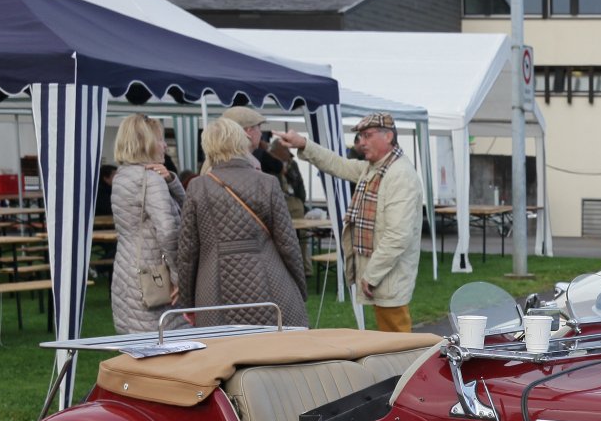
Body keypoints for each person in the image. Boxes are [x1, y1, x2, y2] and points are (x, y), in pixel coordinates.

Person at [278, 113, 423, 332]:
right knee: (392, 338)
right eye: (360, 136)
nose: (361, 142)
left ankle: (410, 358)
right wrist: (304, 144)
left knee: (398, 339)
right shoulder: (376, 168)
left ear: (388, 136)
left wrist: (371, 274)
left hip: (389, 273)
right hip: (384, 272)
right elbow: (338, 164)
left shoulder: (400, 174)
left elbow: (398, 235)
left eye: (367, 135)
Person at [174, 117, 307, 327]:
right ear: (240, 141)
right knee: (273, 345)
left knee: (223, 346)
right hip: (269, 282)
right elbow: (288, 244)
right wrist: (300, 288)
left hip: (213, 286)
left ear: (208, 145)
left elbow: (188, 253)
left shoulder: (197, 187)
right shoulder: (268, 183)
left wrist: (188, 302)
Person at [108, 117, 184, 334]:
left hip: (126, 270)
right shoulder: (150, 179)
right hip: (154, 276)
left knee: (135, 341)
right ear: (145, 143)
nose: (165, 145)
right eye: (160, 140)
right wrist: (178, 276)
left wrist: (171, 181)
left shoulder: (122, 176)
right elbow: (168, 231)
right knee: (164, 342)